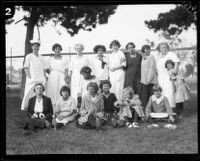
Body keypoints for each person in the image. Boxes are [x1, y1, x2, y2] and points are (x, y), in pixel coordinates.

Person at [152, 41, 180, 111]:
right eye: (162, 48)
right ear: (159, 49)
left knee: (169, 93)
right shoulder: (158, 57)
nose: (164, 49)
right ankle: (163, 110)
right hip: (160, 78)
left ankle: (171, 111)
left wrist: (174, 71)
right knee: (162, 93)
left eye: (165, 47)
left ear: (168, 48)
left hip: (168, 77)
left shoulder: (171, 54)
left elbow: (176, 63)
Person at [21, 39, 47, 111]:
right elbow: (26, 68)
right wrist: (29, 77)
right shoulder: (29, 56)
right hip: (32, 78)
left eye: (37, 47)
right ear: (32, 47)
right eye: (35, 46)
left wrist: (45, 78)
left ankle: (40, 107)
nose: (36, 48)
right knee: (29, 92)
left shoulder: (42, 57)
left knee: (41, 91)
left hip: (40, 78)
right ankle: (27, 106)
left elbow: (44, 69)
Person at [46, 43, 69, 111]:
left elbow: (66, 69)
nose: (57, 50)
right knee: (52, 90)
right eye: (56, 49)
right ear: (54, 50)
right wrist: (52, 73)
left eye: (58, 49)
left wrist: (66, 76)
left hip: (61, 76)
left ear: (60, 50)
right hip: (53, 76)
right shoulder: (50, 59)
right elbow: (46, 68)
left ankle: (61, 107)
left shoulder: (64, 59)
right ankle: (52, 108)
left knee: (61, 89)